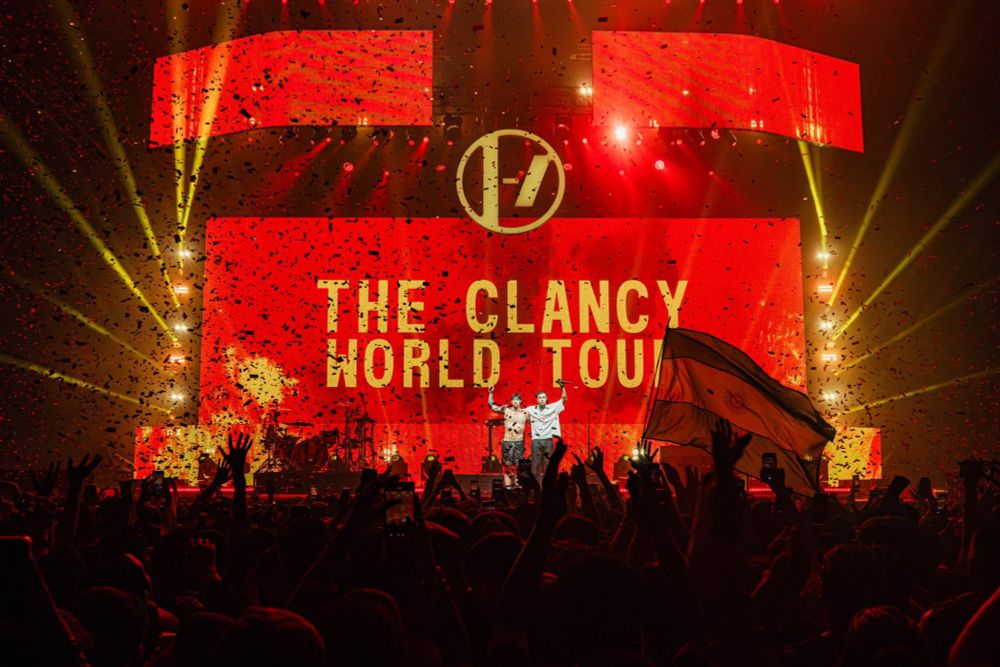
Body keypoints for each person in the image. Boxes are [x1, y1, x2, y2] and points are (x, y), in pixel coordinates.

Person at [525, 380, 568, 482]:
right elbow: (522, 414)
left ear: (546, 398)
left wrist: (562, 387)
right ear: (537, 399)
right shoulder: (531, 409)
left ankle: (548, 486)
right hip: (536, 440)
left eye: (543, 397)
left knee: (548, 464)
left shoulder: (552, 408)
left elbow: (564, 399)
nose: (542, 399)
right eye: (540, 398)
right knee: (535, 464)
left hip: (548, 440)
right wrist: (529, 421)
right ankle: (535, 487)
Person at [487, 386, 528, 488]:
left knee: (519, 465)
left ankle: (518, 484)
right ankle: (508, 486)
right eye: (513, 400)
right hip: (508, 441)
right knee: (507, 465)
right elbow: (492, 406)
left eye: (517, 400)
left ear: (521, 401)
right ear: (511, 401)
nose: (515, 402)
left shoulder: (525, 413)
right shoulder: (506, 410)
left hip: (519, 442)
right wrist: (491, 393)